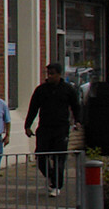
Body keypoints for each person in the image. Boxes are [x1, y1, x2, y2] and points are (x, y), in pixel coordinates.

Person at [24, 63, 82, 196]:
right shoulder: (41, 90)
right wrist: (28, 125)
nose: (49, 76)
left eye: (52, 74)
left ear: (59, 74)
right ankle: (51, 176)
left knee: (58, 158)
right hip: (44, 127)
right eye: (48, 74)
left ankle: (57, 185)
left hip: (61, 128)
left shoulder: (68, 89)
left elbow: (76, 106)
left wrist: (78, 121)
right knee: (40, 157)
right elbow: (33, 108)